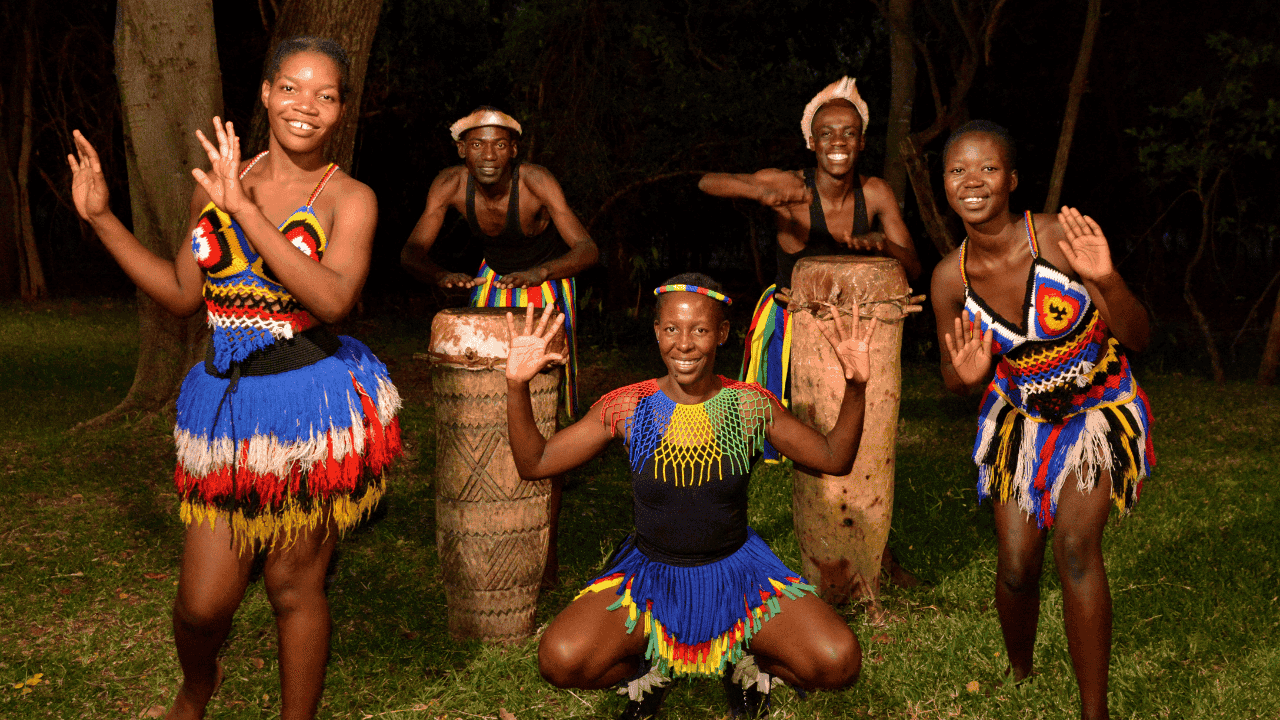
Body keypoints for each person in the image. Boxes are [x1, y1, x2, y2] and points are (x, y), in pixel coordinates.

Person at [67, 37, 400, 720]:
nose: (306, 105)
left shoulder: (350, 198)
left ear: (341, 109)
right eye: (292, 87)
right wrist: (101, 218)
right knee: (201, 605)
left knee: (292, 586)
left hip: (310, 406)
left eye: (326, 95)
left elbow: (333, 299)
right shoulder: (216, 182)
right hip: (225, 409)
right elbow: (181, 293)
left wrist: (245, 210)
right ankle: (198, 686)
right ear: (267, 93)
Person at [504, 273, 869, 719]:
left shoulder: (749, 405)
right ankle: (647, 667)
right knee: (560, 660)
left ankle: (748, 662)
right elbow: (536, 463)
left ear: (722, 333)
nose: (684, 344)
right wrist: (516, 385)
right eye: (672, 329)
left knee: (837, 662)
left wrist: (856, 387)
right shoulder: (628, 406)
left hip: (740, 576)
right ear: (657, 331)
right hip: (648, 578)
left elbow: (833, 458)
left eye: (699, 329)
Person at [929, 120, 1154, 720]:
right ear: (943, 184)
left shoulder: (1057, 238)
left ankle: (1094, 712)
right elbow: (953, 375)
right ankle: (1021, 672)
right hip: (1020, 421)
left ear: (1012, 179)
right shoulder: (950, 278)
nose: (972, 181)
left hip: (1098, 410)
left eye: (988, 168)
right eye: (957, 170)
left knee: (1076, 548)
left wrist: (1106, 280)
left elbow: (1137, 335)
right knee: (1015, 567)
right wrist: (967, 377)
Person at [699, 77, 920, 427]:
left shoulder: (875, 193)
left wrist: (883, 244)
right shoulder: (790, 184)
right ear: (812, 142)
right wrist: (759, 192)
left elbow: (914, 268)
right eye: (826, 133)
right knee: (785, 429)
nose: (838, 141)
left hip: (851, 330)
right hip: (791, 324)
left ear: (862, 142)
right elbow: (707, 181)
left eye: (849, 133)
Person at [400, 106, 598, 418]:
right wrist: (440, 275)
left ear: (514, 150)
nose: (489, 155)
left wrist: (540, 272)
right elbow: (411, 252)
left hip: (547, 278)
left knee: (546, 374)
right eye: (477, 145)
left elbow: (587, 249)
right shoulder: (450, 184)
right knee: (483, 362)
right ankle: (490, 425)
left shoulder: (535, 181)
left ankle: (550, 429)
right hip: (493, 275)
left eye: (500, 145)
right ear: (462, 149)